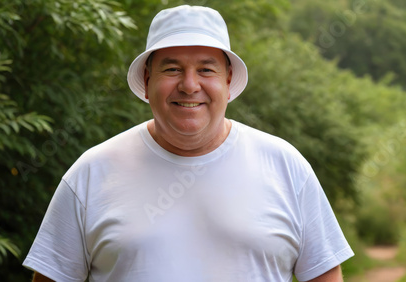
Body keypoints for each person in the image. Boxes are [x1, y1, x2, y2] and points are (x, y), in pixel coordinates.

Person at [23, 5, 354, 282]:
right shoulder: (92, 172)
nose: (189, 85)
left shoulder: (285, 164)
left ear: (227, 80)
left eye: (206, 69)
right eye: (172, 69)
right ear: (148, 80)